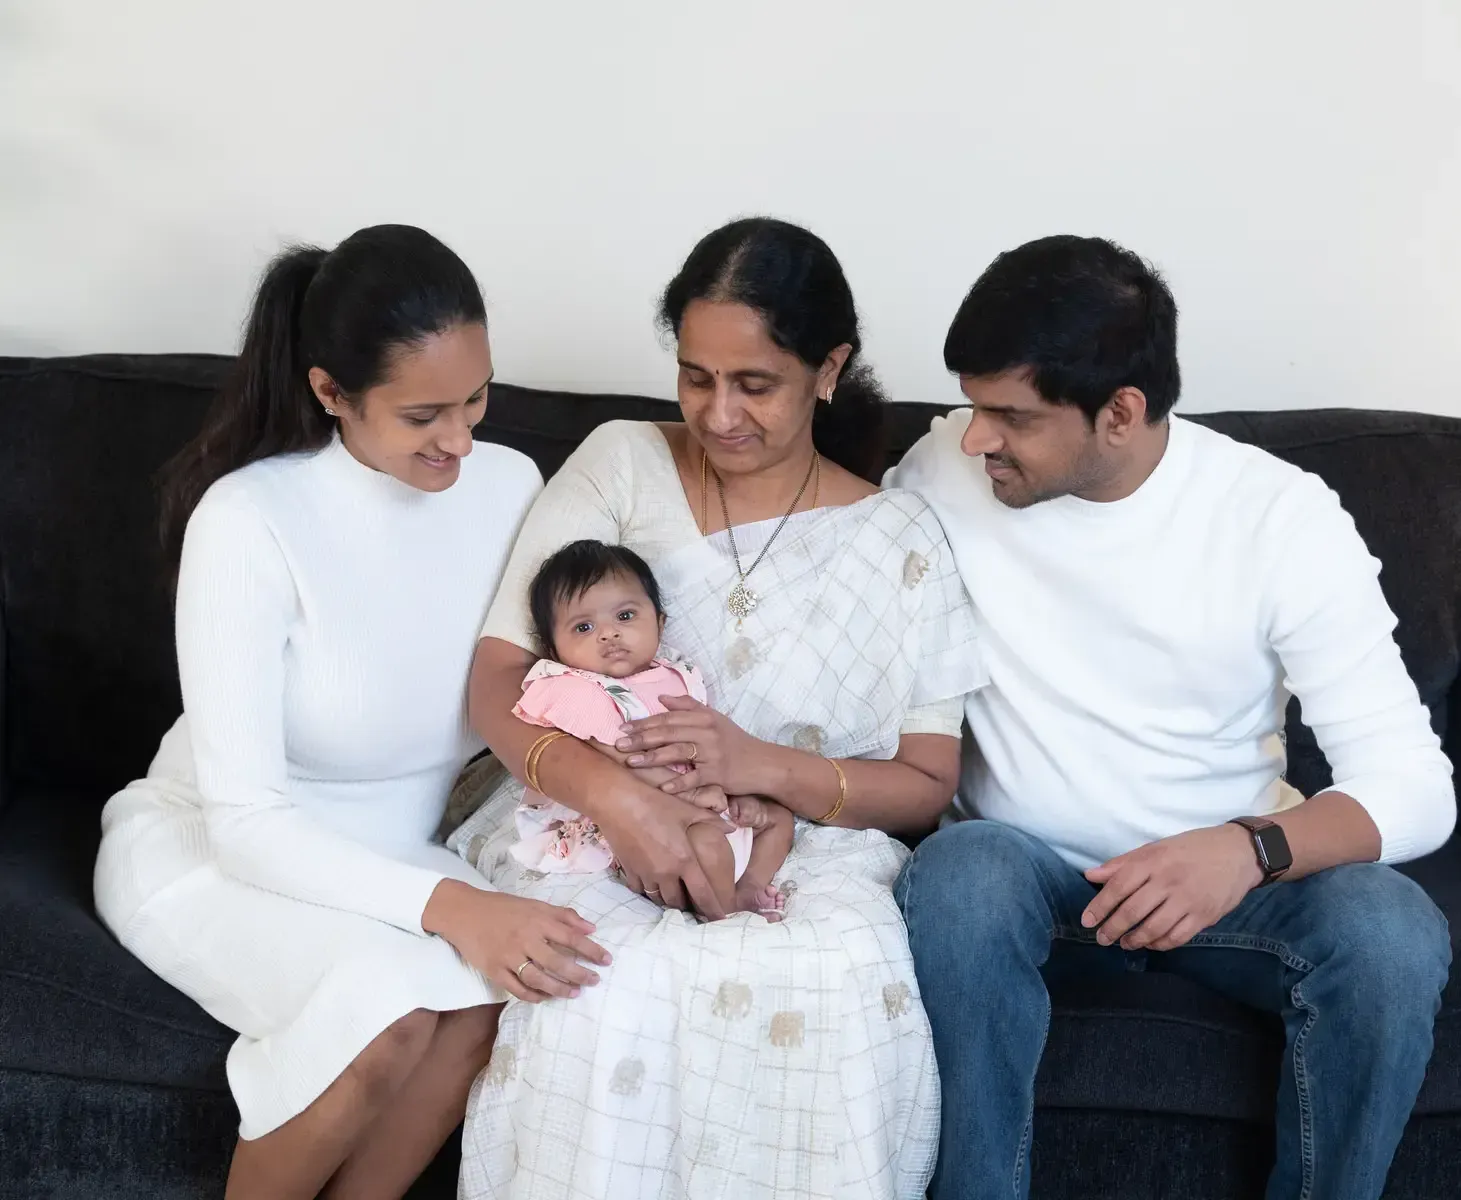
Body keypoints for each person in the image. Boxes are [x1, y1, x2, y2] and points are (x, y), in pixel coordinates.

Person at [887, 235, 1456, 1200]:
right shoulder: (942, 473)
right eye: (974, 405)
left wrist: (1246, 849)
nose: (974, 436)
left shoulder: (1279, 517)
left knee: (1391, 932)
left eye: (1010, 416)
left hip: (1232, 893)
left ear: (1121, 412)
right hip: (1026, 879)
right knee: (961, 873)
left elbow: (1415, 787)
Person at [450, 216, 987, 1199]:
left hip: (807, 841)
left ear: (829, 370)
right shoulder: (621, 462)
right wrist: (622, 801)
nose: (719, 413)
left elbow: (924, 786)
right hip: (580, 818)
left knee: (828, 976)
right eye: (697, 377)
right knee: (594, 982)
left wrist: (757, 768)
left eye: (756, 385)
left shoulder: (900, 538)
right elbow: (496, 685)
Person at [93, 225, 609, 1200]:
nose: (460, 438)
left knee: (489, 1005)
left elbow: (560, 679)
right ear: (332, 392)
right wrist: (457, 906)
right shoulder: (248, 523)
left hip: (393, 857)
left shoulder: (510, 489)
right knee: (385, 1014)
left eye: (476, 400)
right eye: (423, 414)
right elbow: (245, 825)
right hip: (212, 850)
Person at [510, 538, 793, 917]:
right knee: (708, 843)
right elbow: (621, 755)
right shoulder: (573, 687)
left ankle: (749, 887)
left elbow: (702, 745)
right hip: (640, 814)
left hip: (704, 797)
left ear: (659, 622)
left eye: (625, 617)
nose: (607, 634)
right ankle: (725, 917)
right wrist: (693, 799)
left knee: (778, 818)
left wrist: (728, 793)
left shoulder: (677, 672)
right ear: (552, 647)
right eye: (584, 626)